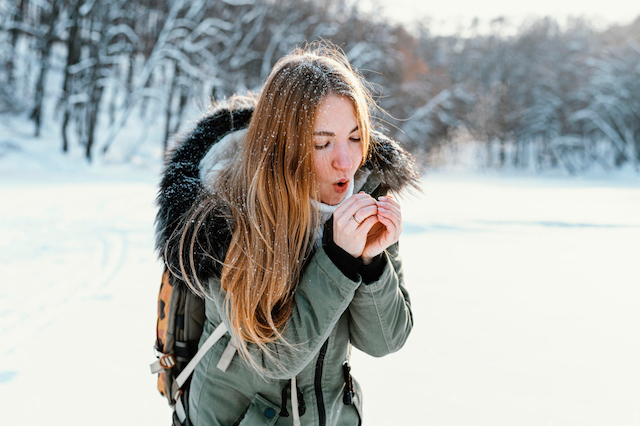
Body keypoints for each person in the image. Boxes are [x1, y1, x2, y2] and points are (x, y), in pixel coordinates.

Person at [155, 43, 419, 426]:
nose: (345, 161)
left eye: (356, 137)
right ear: (281, 147)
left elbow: (386, 340)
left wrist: (372, 262)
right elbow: (271, 356)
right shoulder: (225, 213)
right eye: (321, 143)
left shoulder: (365, 194)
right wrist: (339, 260)